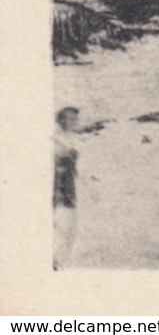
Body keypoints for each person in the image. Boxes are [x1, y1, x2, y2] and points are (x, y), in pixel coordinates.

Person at [54, 106, 81, 269]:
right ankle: (56, 260)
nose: (74, 122)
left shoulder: (74, 139)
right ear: (61, 120)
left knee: (71, 225)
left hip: (72, 186)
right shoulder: (56, 140)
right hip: (60, 187)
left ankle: (62, 260)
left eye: (75, 118)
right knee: (61, 223)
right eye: (70, 118)